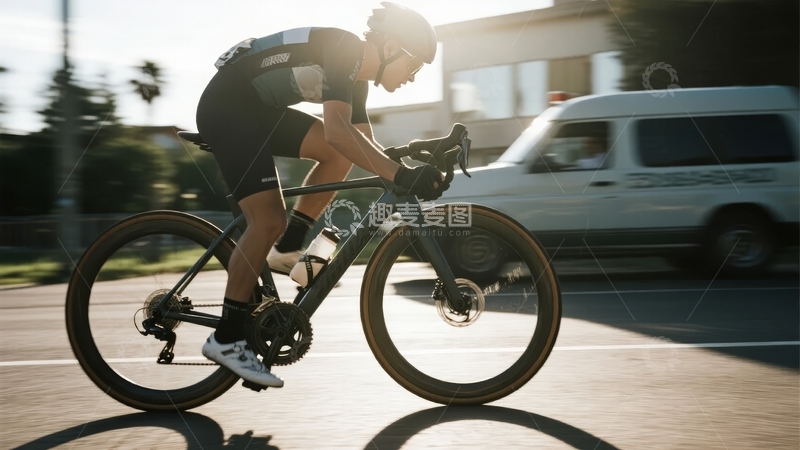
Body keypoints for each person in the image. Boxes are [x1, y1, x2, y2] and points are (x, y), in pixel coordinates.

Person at [196, 2, 446, 387]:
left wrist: (411, 158)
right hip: (230, 106)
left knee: (336, 154)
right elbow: (338, 130)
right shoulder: (346, 49)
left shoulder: (356, 76)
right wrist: (401, 174)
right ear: (393, 47)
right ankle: (227, 338)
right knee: (267, 219)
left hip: (255, 108)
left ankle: (288, 248)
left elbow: (359, 142)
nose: (413, 78)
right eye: (414, 67)